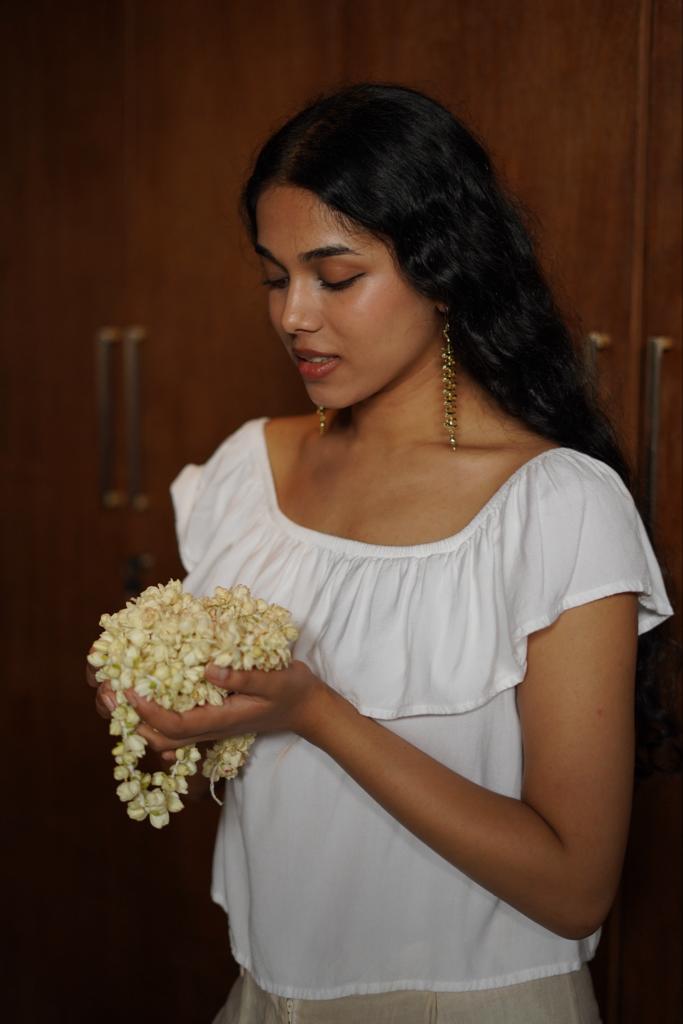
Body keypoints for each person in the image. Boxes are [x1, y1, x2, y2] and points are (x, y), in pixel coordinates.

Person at [89, 83, 675, 1022]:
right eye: (275, 276)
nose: (292, 316)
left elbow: (573, 887)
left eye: (336, 274)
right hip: (266, 995)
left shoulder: (555, 508)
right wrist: (161, 703)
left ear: (443, 270)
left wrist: (314, 711)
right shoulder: (248, 472)